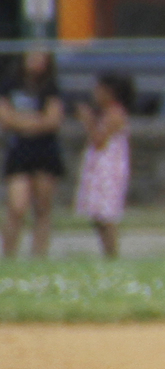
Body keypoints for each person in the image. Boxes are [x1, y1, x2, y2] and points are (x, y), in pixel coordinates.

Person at [3, 49, 68, 258]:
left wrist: (25, 122)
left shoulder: (51, 88)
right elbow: (5, 117)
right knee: (17, 207)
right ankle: (9, 254)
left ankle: (39, 255)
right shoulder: (10, 86)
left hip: (44, 151)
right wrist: (31, 122)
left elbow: (53, 120)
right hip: (19, 150)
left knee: (42, 207)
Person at [75, 73, 135, 260]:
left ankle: (112, 253)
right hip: (99, 168)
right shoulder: (105, 113)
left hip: (108, 170)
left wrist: (87, 120)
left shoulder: (115, 114)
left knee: (106, 214)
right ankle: (107, 252)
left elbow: (99, 140)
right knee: (97, 214)